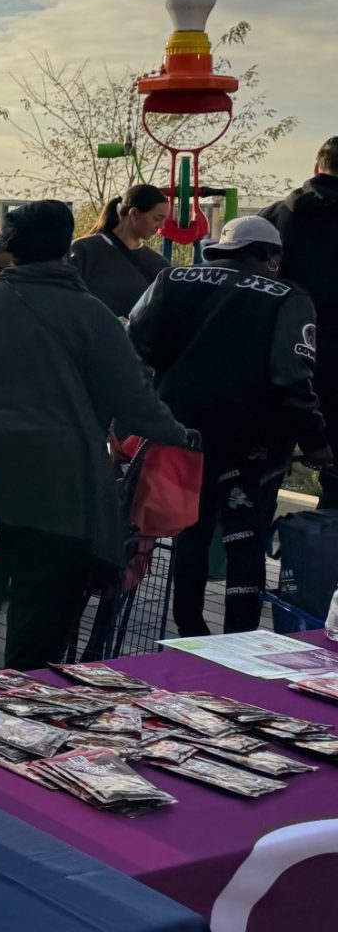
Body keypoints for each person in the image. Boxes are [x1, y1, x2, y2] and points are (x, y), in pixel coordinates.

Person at [0, 200, 196, 672]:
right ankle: (20, 725)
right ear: (65, 250)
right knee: (38, 640)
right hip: (64, 494)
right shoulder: (92, 315)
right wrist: (178, 433)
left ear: (10, 246)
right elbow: (135, 400)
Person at [128, 216, 330, 636]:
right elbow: (291, 377)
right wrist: (315, 443)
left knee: (190, 531)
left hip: (179, 437)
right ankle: (238, 639)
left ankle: (189, 631)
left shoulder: (173, 279)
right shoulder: (287, 297)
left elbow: (134, 345)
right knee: (245, 541)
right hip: (252, 443)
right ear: (270, 256)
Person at [264, 136, 338, 504]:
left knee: (256, 473)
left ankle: (239, 554)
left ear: (316, 166)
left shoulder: (275, 217)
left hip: (273, 358)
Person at [69, 184, 169, 317]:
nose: (161, 226)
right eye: (157, 218)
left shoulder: (159, 265)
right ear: (133, 213)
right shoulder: (83, 250)